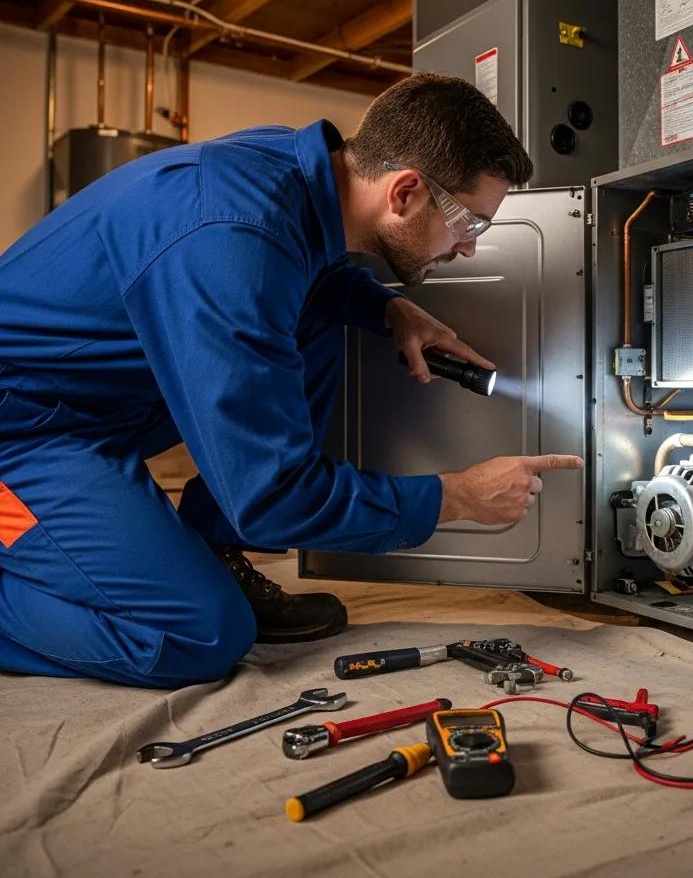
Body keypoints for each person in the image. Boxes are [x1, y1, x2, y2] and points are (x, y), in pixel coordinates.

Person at [0, 72, 582, 689]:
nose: (467, 248)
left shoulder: (295, 178)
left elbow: (300, 272)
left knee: (320, 312)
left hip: (88, 413)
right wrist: (454, 497)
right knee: (199, 634)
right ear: (406, 192)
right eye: (469, 223)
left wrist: (386, 307)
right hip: (22, 436)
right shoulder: (229, 239)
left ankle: (213, 547)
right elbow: (273, 493)